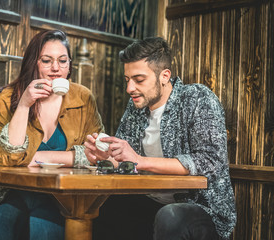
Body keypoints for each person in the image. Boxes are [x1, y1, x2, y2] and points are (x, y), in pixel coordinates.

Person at [84, 37, 236, 240]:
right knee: (101, 205)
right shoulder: (135, 108)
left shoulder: (197, 98)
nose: (130, 88)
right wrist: (102, 157)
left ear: (164, 76)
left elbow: (210, 161)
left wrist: (141, 160)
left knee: (171, 216)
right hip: (150, 201)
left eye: (139, 80)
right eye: (127, 80)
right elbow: (126, 162)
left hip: (201, 208)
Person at [0, 29, 104, 240]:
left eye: (63, 61)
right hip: (9, 192)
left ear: (70, 65)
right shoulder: (9, 98)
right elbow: (9, 159)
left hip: (61, 197)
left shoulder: (83, 97)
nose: (56, 68)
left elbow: (97, 154)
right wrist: (24, 104)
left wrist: (39, 158)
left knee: (45, 229)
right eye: (47, 61)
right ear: (33, 62)